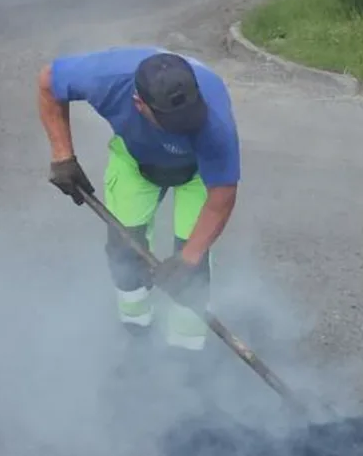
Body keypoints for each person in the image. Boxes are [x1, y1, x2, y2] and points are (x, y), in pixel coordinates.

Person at [37, 46, 241, 352]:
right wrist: (62, 155)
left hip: (198, 171)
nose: (184, 128)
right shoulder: (106, 78)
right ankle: (137, 334)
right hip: (136, 159)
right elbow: (48, 81)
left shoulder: (213, 121)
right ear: (139, 104)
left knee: (192, 264)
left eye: (189, 119)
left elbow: (222, 196)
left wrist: (188, 259)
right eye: (174, 123)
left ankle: (186, 352)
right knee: (124, 248)